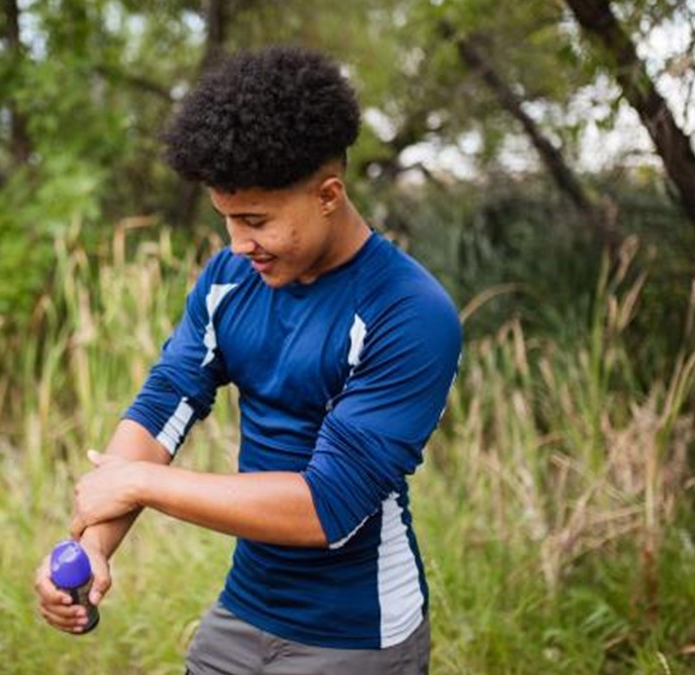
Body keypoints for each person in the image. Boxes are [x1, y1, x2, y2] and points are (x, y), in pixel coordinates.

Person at [35, 45, 461, 674]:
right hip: (245, 612)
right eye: (227, 219)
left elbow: (329, 508)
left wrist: (143, 484)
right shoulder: (230, 279)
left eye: (255, 220)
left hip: (357, 636)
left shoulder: (409, 312)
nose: (238, 245)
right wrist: (94, 545)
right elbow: (165, 406)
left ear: (328, 195)